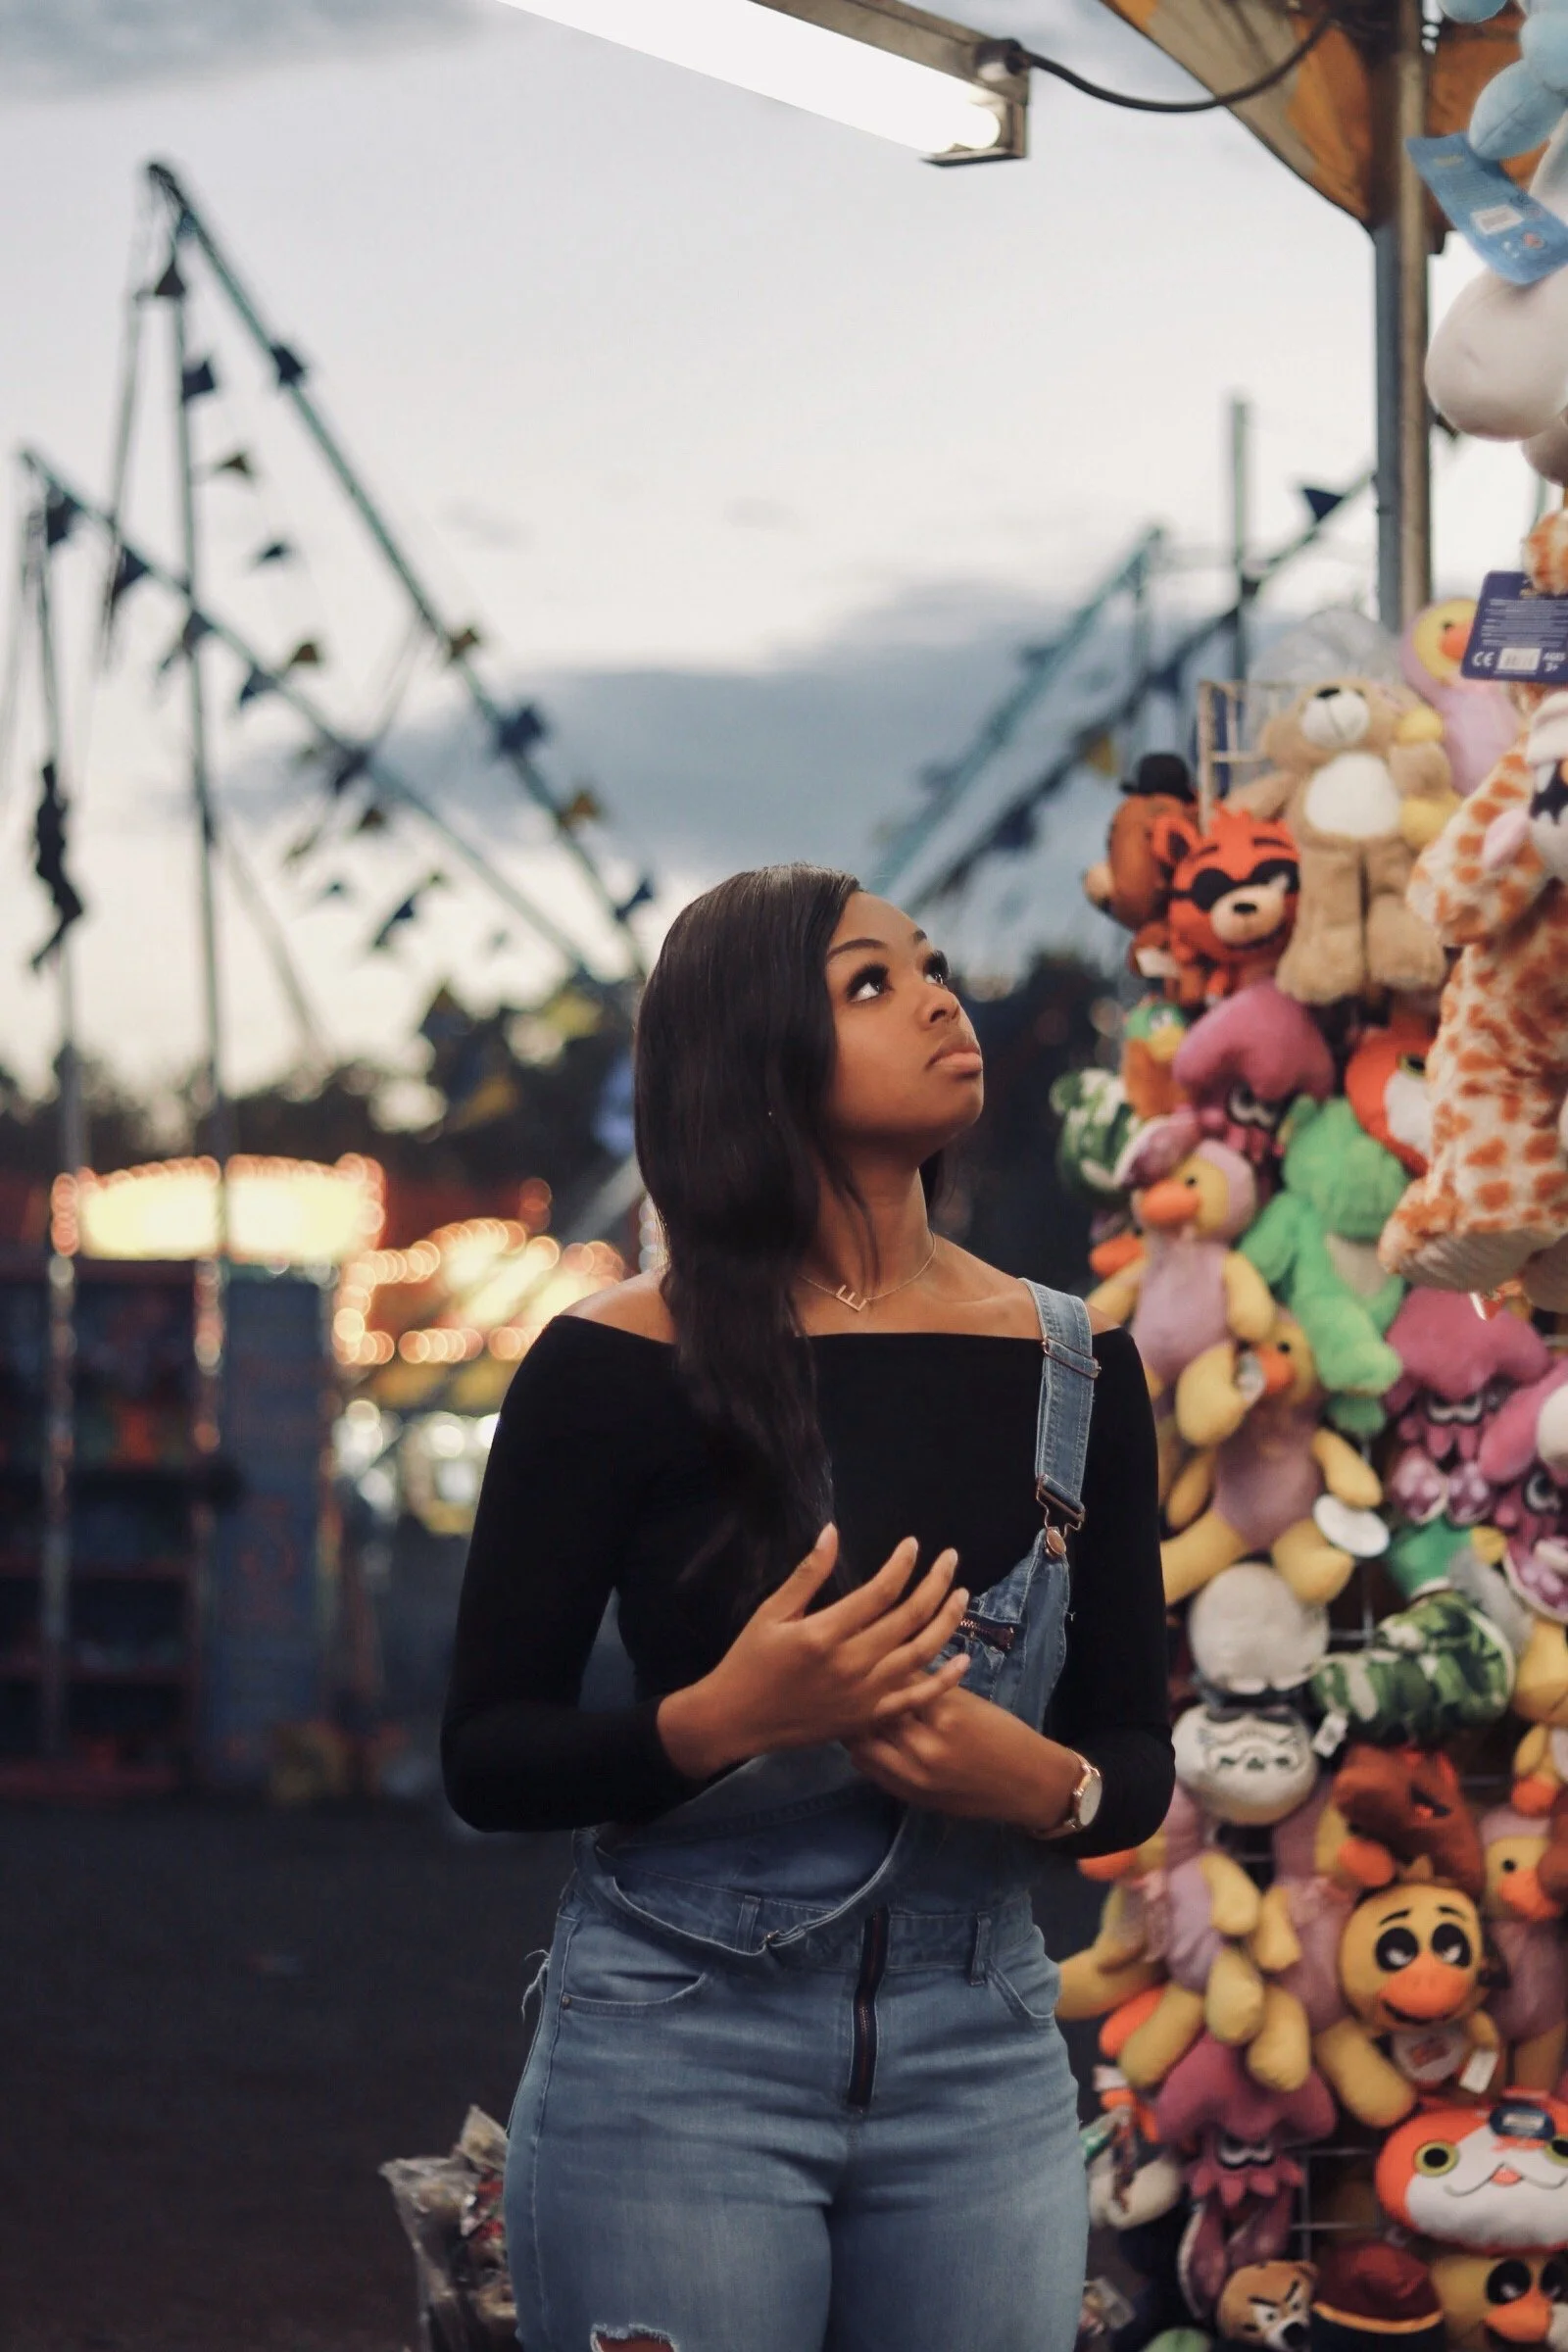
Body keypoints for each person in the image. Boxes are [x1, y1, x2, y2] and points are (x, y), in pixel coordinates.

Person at [442, 864, 1173, 2352]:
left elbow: (1136, 1762)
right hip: (672, 2044)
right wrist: (722, 1722)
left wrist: (1032, 1780)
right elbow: (486, 1753)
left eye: (932, 967)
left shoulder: (1078, 1363)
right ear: (754, 1056)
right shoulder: (609, 1364)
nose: (938, 998)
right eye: (870, 982)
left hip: (986, 2053)